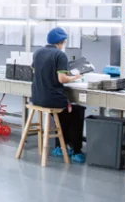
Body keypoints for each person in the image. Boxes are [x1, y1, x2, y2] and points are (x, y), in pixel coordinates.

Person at [31, 27, 85, 163]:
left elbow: (35, 71)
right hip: (51, 99)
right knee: (76, 111)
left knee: (63, 114)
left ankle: (60, 146)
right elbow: (62, 79)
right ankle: (76, 150)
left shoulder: (38, 52)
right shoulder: (60, 55)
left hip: (36, 98)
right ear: (62, 41)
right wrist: (76, 77)